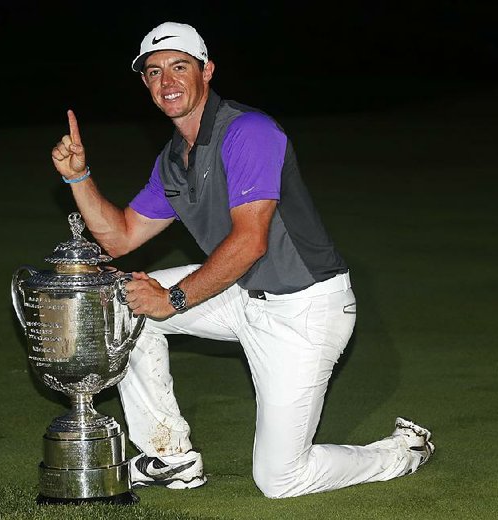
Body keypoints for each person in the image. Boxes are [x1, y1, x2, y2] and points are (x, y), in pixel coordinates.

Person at [49, 21, 434, 498]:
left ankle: (400, 453)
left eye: (179, 67)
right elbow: (121, 236)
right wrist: (79, 177)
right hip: (241, 291)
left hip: (304, 310)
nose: (166, 81)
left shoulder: (249, 131)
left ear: (206, 71)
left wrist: (173, 298)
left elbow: (252, 241)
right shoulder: (174, 158)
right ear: (145, 84)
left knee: (279, 479)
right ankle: (170, 459)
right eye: (153, 72)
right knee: (123, 306)